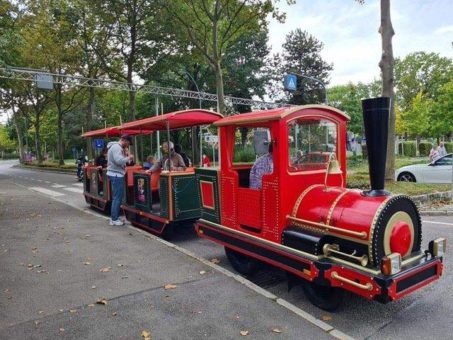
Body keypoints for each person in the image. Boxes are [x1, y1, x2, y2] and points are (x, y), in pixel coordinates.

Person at [106, 134, 134, 226]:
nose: (128, 146)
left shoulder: (118, 148)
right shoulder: (116, 148)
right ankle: (114, 219)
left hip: (116, 173)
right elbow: (118, 161)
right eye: (128, 143)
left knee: (117, 197)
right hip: (116, 174)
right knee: (117, 198)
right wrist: (128, 157)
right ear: (124, 140)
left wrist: (126, 155)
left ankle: (115, 217)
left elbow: (126, 162)